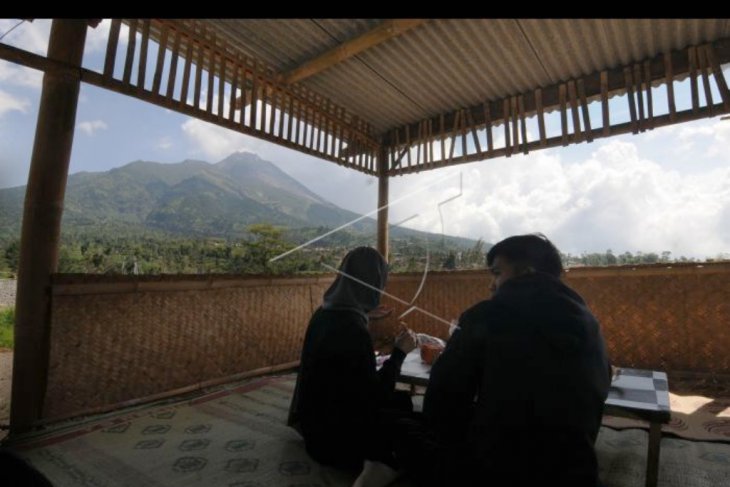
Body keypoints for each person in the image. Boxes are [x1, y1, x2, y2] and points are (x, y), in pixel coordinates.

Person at [393, 233, 611, 487]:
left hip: (499, 471)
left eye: (497, 273)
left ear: (526, 272)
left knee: (398, 425)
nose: (491, 285)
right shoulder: (589, 323)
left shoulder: (488, 315)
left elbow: (441, 402)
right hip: (576, 470)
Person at [287, 246, 417, 476]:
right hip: (338, 446)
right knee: (406, 415)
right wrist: (399, 352)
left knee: (401, 406)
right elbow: (374, 396)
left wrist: (365, 312)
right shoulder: (352, 329)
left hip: (312, 431)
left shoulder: (324, 313)